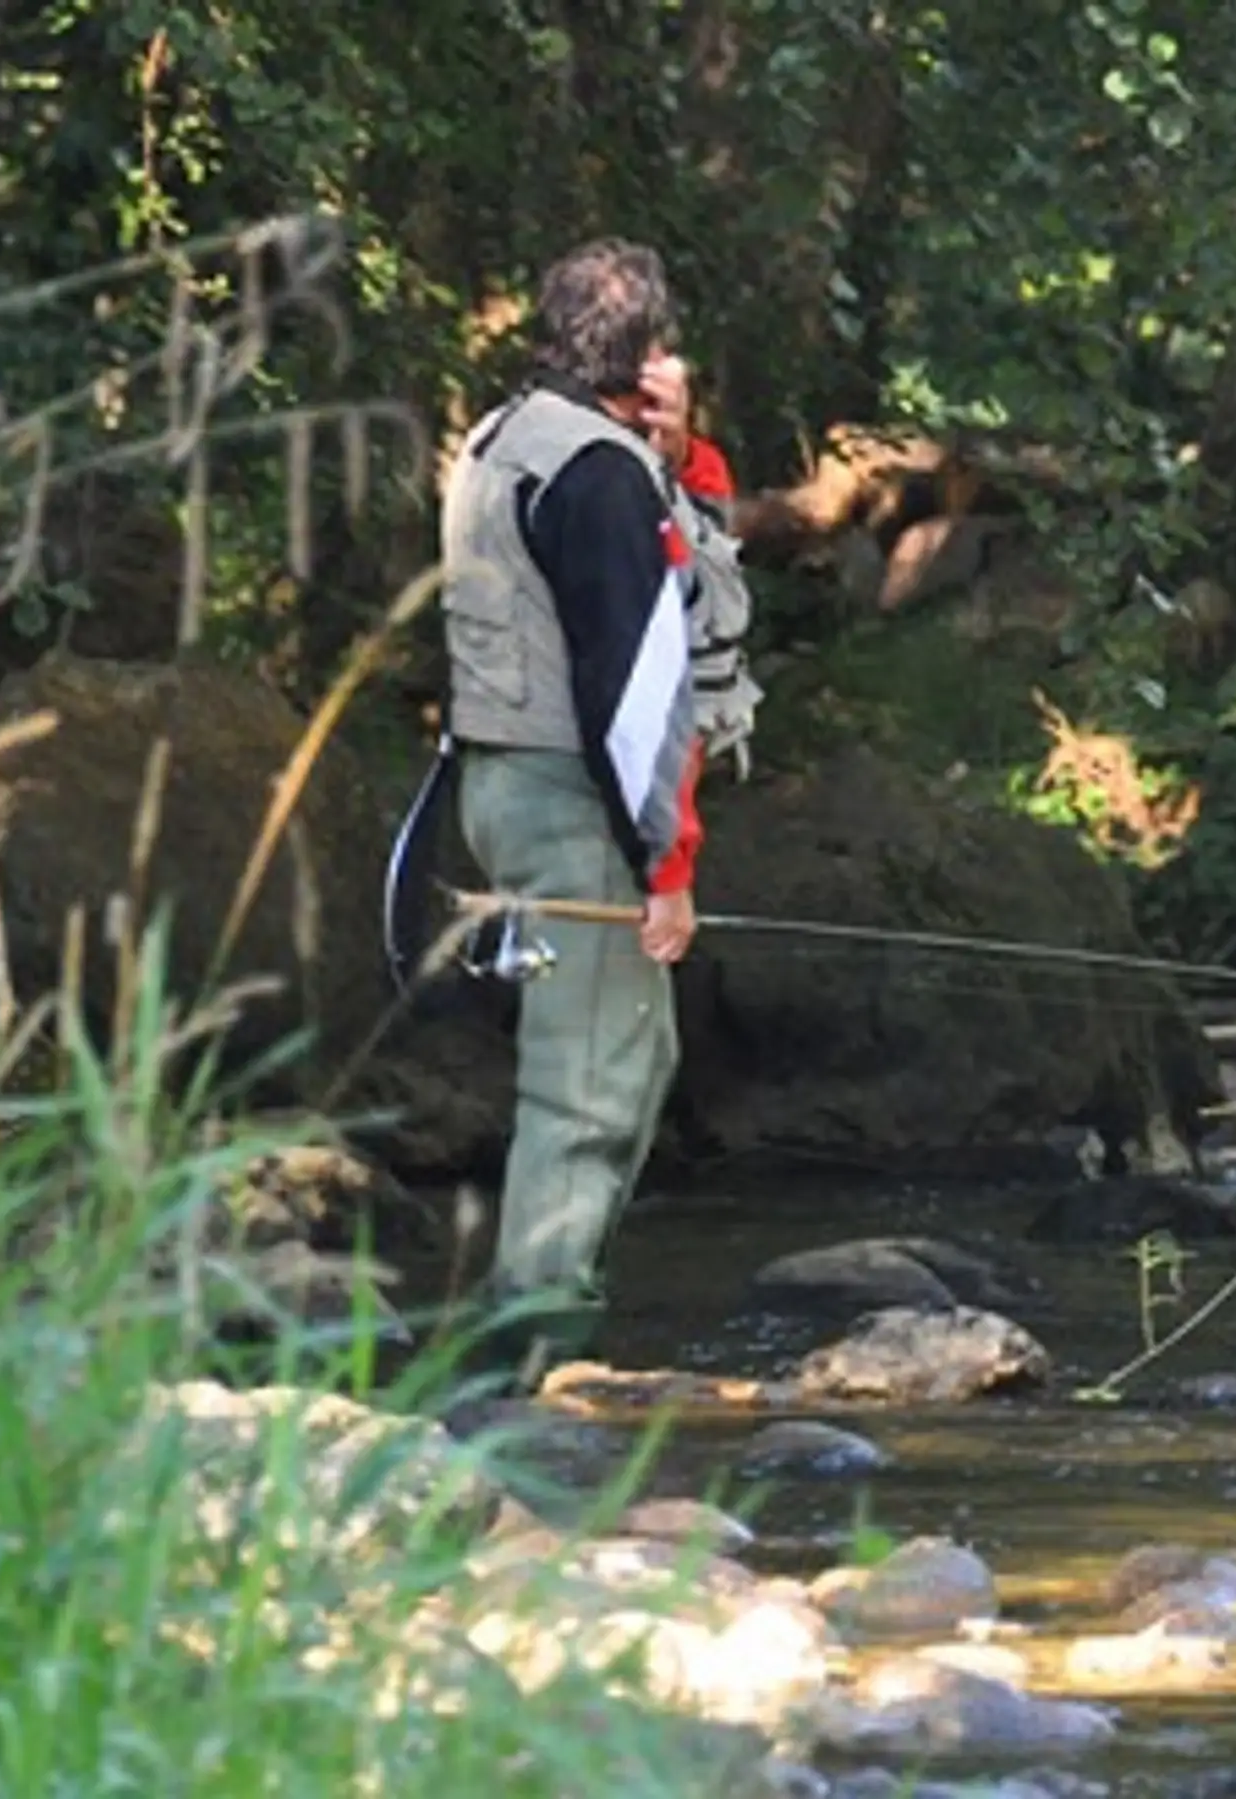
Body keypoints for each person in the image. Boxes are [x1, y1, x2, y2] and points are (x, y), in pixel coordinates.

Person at [434, 237, 719, 1367]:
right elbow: (636, 694)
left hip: (495, 784)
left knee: (598, 1059)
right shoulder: (599, 474)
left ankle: (527, 1345)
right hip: (573, 800)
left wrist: (682, 454)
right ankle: (534, 1363)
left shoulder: (501, 437)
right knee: (593, 1079)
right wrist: (670, 868)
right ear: (645, 353)